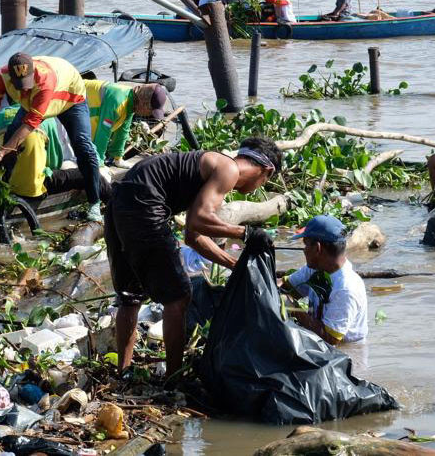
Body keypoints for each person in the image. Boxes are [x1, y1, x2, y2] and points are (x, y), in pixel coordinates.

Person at [108, 138, 282, 380]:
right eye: (266, 182)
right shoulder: (228, 168)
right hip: (144, 205)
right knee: (179, 297)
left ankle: (123, 373)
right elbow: (199, 219)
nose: (260, 186)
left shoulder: (207, 168)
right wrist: (246, 233)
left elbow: (193, 236)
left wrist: (235, 263)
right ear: (267, 170)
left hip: (120, 200)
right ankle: (173, 378)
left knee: (130, 296)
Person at [0, 53, 104, 222]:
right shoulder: (2, 76)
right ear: (10, 76)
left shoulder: (44, 82)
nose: (24, 89)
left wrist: (0, 154)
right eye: (19, 86)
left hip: (70, 98)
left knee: (83, 146)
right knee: (11, 136)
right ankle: (9, 189)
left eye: (26, 84)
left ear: (33, 74)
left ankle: (94, 204)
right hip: (34, 101)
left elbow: (30, 124)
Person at [280, 215, 368, 345]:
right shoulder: (315, 270)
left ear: (317, 248)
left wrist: (294, 310)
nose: (304, 250)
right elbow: (285, 286)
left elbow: (330, 339)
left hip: (344, 357)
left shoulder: (346, 288)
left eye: (306, 244)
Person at [86, 80, 168, 166]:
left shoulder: (131, 100)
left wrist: (118, 158)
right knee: (98, 129)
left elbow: (123, 130)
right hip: (75, 100)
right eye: (150, 110)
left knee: (120, 127)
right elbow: (103, 133)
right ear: (144, 102)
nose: (150, 114)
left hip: (94, 106)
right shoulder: (118, 102)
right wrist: (100, 164)